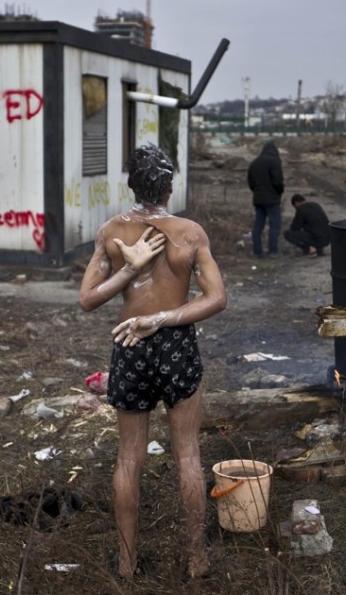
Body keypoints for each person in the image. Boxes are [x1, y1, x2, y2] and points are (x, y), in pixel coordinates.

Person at [79, 144, 227, 580]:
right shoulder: (189, 232)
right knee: (188, 456)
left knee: (128, 458)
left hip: (130, 343)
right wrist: (163, 317)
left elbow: (88, 299)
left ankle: (126, 564)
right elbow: (217, 298)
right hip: (175, 341)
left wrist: (128, 272)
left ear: (130, 185)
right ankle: (196, 558)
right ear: (169, 186)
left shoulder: (112, 231)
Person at [247, 141, 284, 257]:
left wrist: (257, 192)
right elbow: (278, 181)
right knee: (274, 225)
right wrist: (279, 191)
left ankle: (257, 251)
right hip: (272, 199)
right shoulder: (275, 162)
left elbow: (250, 182)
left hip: (258, 199)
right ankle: (272, 251)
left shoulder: (254, 163)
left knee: (258, 225)